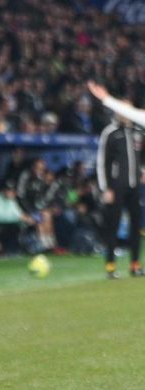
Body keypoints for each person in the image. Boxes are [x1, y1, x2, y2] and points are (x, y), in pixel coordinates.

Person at [88, 82, 143, 278]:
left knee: (137, 225)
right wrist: (106, 188)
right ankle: (110, 267)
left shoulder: (138, 131)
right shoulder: (110, 133)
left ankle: (135, 265)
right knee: (113, 225)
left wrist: (142, 170)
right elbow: (102, 162)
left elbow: (142, 156)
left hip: (134, 185)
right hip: (116, 187)